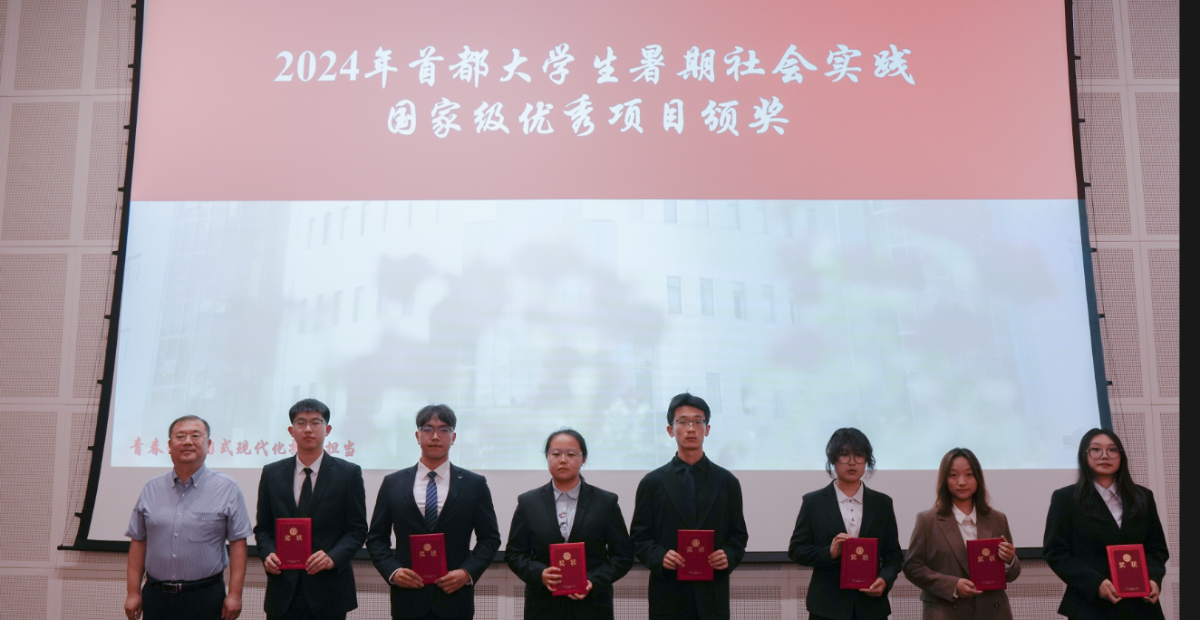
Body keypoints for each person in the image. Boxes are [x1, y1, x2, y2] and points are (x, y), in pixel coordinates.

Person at [366, 404, 502, 620]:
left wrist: (467, 572)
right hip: (408, 598)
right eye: (428, 429)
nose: (436, 436)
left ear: (453, 437)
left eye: (444, 430)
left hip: (455, 598)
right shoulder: (393, 483)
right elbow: (376, 539)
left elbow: (490, 539)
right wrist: (393, 571)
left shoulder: (474, 484)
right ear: (417, 436)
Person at [629, 392, 749, 620]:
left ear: (707, 429)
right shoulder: (652, 483)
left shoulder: (727, 482)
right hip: (668, 594)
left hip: (712, 596)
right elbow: (639, 537)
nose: (691, 428)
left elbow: (738, 535)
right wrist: (659, 556)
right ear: (670, 430)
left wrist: (729, 555)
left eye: (697, 421)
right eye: (683, 422)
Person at [124, 415, 252, 620]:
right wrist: (133, 592)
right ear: (169, 445)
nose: (187, 442)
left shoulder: (227, 488)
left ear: (209, 444)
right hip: (157, 596)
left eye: (196, 436)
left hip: (205, 596)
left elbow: (238, 544)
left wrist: (235, 594)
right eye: (180, 436)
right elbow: (138, 541)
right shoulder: (151, 488)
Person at [254, 398, 368, 620]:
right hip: (283, 590)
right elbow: (263, 528)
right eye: (301, 423)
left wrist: (333, 557)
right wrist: (267, 553)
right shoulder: (271, 473)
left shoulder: (348, 474)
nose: (308, 429)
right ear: (291, 431)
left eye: (316, 422)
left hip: (329, 588)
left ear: (328, 429)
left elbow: (357, 529)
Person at [505, 429, 635, 620]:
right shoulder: (528, 502)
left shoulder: (605, 502)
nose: (563, 460)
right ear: (547, 457)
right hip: (543, 607)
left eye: (571, 454)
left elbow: (623, 556)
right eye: (556, 454)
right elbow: (514, 554)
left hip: (592, 607)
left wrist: (592, 581)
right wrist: (540, 574)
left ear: (583, 459)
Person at [1043, 428, 1168, 620]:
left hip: (1141, 606)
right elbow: (1056, 552)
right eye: (1096, 449)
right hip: (1091, 606)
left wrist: (1152, 578)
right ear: (1084, 455)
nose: (1104, 455)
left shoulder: (1143, 496)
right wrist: (1095, 583)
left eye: (1112, 450)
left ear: (1121, 456)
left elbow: (1156, 549)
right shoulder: (1066, 498)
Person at [788, 427, 903, 620]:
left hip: (871, 607)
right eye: (844, 455)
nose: (852, 462)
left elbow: (893, 555)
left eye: (859, 455)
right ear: (833, 459)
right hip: (827, 608)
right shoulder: (813, 502)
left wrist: (885, 580)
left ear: (867, 460)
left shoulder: (882, 503)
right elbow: (797, 550)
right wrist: (829, 552)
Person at [903, 448, 1020, 620]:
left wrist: (1010, 560)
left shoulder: (997, 518)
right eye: (953, 475)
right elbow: (912, 567)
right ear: (944, 480)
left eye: (969, 474)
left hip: (992, 612)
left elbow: (1011, 574)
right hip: (945, 611)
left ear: (978, 478)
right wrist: (953, 585)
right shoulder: (927, 520)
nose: (962, 482)